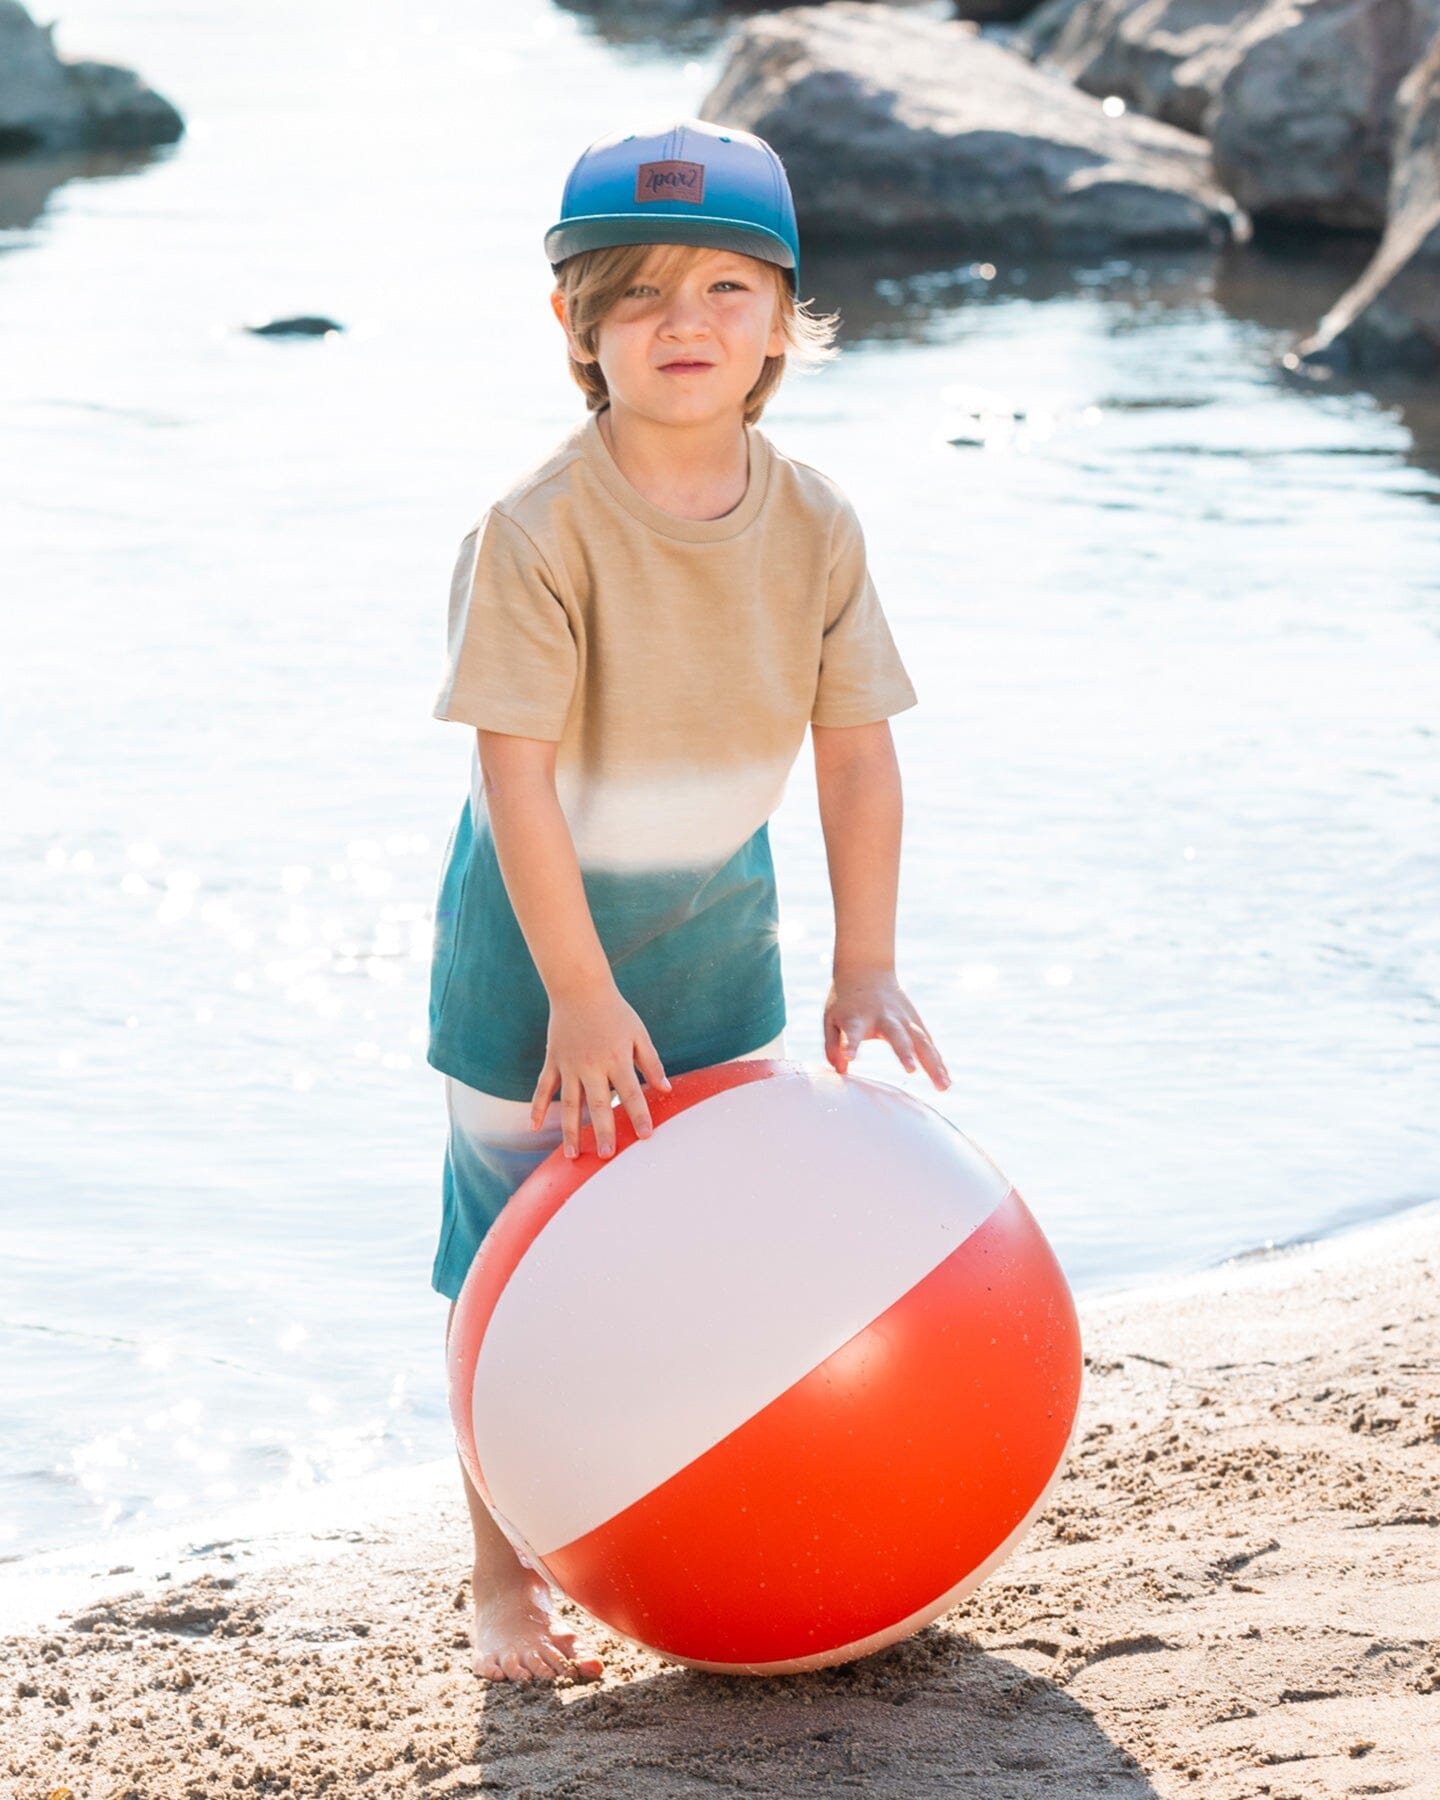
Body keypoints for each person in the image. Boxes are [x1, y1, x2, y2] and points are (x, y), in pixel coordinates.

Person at [426, 118, 951, 1684]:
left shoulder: (819, 525)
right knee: (507, 1273)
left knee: (705, 1255)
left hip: (722, 951)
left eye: (729, 286)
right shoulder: (536, 532)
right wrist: (581, 998)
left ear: (785, 317)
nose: (686, 323)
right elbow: (517, 783)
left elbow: (855, 764)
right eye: (640, 292)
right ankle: (499, 1576)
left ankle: (707, 1514)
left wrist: (868, 963)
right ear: (575, 324)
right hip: (534, 972)